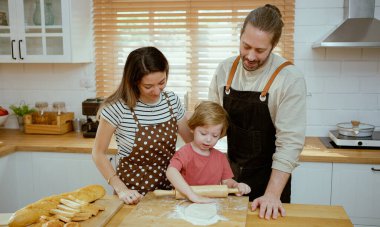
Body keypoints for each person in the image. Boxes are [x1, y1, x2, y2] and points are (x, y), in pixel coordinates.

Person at [208, 4, 306, 220]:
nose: (250, 56)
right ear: (240, 36)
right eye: (246, 46)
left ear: (274, 45)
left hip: (270, 181)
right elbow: (213, 126)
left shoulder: (289, 78)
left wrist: (271, 195)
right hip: (230, 178)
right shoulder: (225, 69)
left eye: (260, 50)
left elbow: (290, 143)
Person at [92, 46, 192, 205]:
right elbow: (98, 153)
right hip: (133, 195)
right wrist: (121, 189)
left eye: (162, 82)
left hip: (170, 190)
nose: (157, 91)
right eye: (148, 86)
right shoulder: (117, 107)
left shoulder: (172, 101)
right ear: (134, 81)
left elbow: (191, 143)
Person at [166, 101, 251, 203]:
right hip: (186, 202)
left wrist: (236, 185)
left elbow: (227, 182)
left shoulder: (220, 158)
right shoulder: (184, 153)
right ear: (193, 128)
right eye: (203, 133)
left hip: (211, 203)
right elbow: (171, 171)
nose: (208, 139)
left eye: (215, 135)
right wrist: (192, 195)